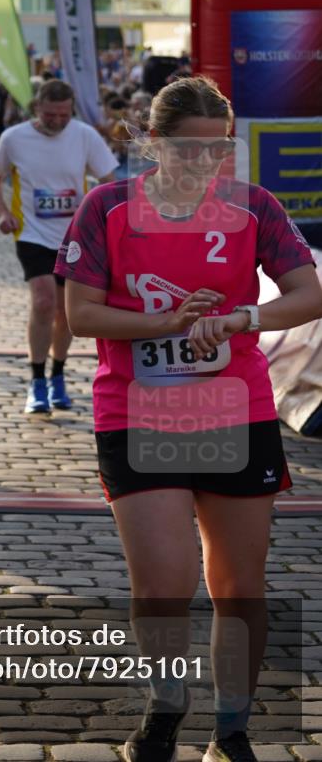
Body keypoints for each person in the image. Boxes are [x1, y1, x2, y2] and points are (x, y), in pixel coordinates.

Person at [55, 75, 322, 762]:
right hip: (135, 411)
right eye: (185, 150)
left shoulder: (251, 206)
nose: (202, 164)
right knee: (164, 583)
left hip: (234, 407)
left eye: (216, 150)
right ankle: (164, 709)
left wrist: (241, 317)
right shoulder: (107, 206)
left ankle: (230, 727)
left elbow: (307, 292)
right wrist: (163, 323)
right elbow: (80, 315)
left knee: (237, 584)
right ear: (153, 142)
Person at [0, 79, 117, 413]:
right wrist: (2, 212)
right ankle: (37, 381)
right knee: (43, 302)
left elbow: (109, 181)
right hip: (31, 232)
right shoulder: (13, 138)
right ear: (36, 110)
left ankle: (58, 372)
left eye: (64, 114)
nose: (57, 121)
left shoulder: (84, 135)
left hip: (73, 236)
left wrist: (99, 217)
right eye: (50, 115)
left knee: (65, 312)